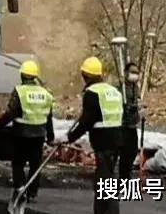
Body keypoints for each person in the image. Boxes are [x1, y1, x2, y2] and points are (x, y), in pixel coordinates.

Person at [0, 59, 55, 205]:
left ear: (23, 76)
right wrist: (50, 137)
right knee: (35, 165)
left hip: (21, 133)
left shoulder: (19, 91)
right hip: (39, 134)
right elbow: (48, 117)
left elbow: (11, 113)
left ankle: (20, 187)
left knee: (18, 163)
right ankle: (32, 193)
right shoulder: (46, 94)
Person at [67, 57, 123, 214]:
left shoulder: (92, 93)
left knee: (105, 184)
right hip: (117, 141)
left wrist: (69, 137)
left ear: (86, 75)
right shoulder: (114, 91)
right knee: (106, 180)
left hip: (103, 143)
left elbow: (86, 122)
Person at [119, 62, 143, 179]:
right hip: (122, 124)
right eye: (132, 72)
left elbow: (138, 101)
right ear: (126, 73)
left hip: (132, 124)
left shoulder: (135, 87)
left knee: (133, 150)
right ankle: (123, 177)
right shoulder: (121, 87)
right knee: (124, 153)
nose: (135, 75)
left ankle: (125, 175)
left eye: (136, 73)